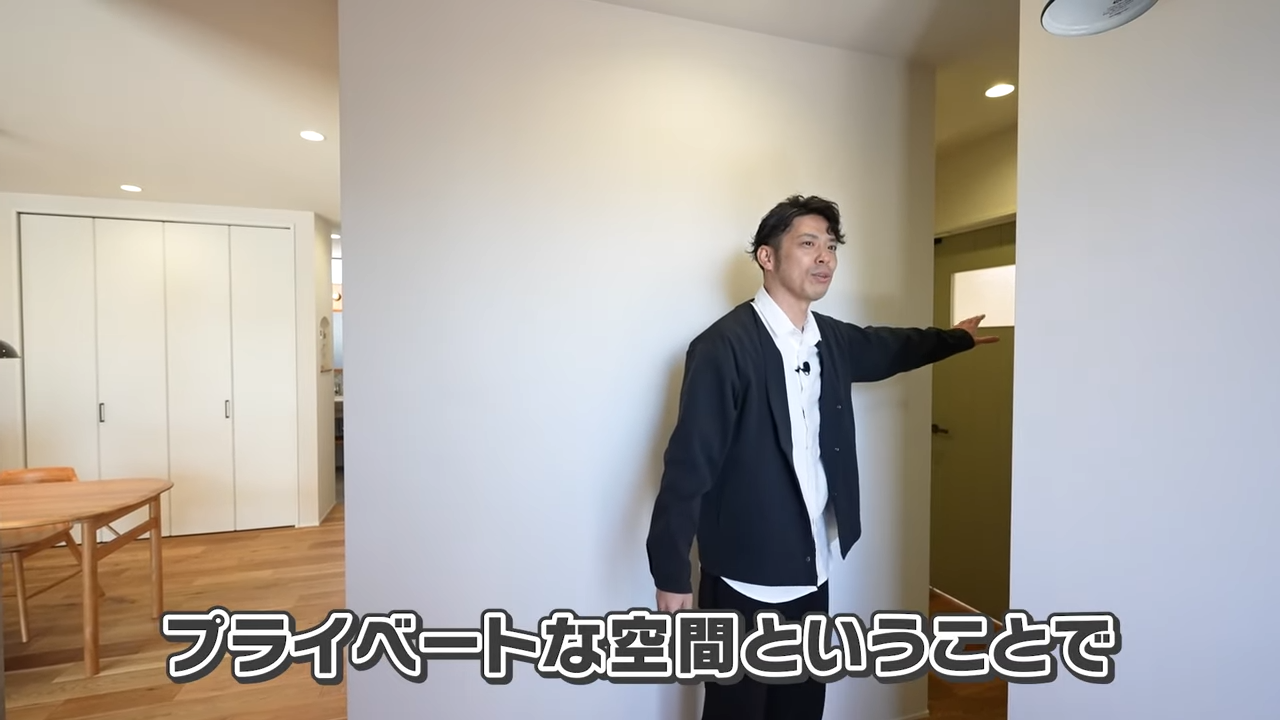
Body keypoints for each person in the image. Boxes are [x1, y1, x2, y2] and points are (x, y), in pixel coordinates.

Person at [645, 195, 997, 720]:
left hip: (812, 568)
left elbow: (889, 347)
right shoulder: (723, 346)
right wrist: (671, 571)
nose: (825, 257)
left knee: (802, 707)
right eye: (808, 243)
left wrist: (954, 340)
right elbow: (688, 466)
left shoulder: (829, 339)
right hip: (742, 576)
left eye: (831, 246)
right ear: (767, 257)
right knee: (736, 711)